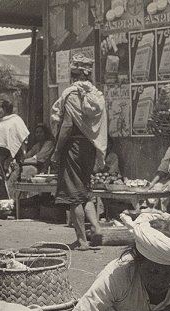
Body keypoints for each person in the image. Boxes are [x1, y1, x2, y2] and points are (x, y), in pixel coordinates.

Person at [51, 54, 106, 250]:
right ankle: (97, 229)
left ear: (73, 74)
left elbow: (66, 125)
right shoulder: (95, 94)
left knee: (74, 195)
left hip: (72, 146)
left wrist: (57, 151)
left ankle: (82, 240)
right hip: (90, 146)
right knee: (85, 192)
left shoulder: (72, 93)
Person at [0, 94, 29, 204]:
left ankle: (13, 206)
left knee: (11, 180)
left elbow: (20, 140)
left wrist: (11, 158)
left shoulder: (15, 120)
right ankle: (1, 206)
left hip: (11, 157)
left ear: (5, 108)